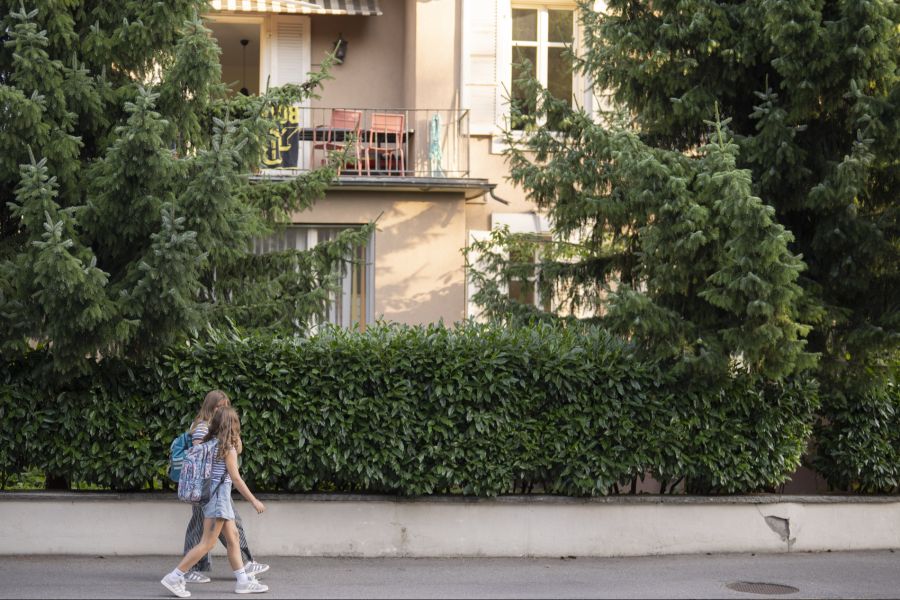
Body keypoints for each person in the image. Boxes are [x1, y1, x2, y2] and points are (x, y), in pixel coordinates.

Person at [162, 406, 269, 597]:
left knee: (233, 538)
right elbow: (236, 478)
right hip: (218, 500)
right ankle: (175, 576)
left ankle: (243, 582)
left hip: (215, 498)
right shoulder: (226, 449)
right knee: (207, 543)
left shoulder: (210, 443)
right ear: (233, 425)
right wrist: (254, 501)